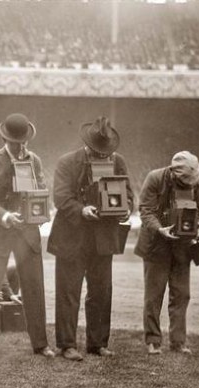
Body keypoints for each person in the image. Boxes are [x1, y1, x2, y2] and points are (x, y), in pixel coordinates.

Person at [48, 116, 134, 361]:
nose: (102, 155)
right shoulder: (67, 162)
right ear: (87, 145)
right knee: (68, 292)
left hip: (103, 238)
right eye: (97, 152)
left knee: (101, 292)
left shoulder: (118, 162)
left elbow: (128, 194)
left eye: (105, 152)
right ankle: (67, 345)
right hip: (72, 237)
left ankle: (97, 343)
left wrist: (126, 207)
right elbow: (61, 197)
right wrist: (81, 210)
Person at [0, 113, 54, 360]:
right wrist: (6, 216)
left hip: (27, 232)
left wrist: (37, 206)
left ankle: (40, 344)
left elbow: (39, 190)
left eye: (24, 142)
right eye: (16, 142)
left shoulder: (34, 160)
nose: (21, 146)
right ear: (5, 139)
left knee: (34, 287)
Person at [134, 151, 199, 355]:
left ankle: (178, 342)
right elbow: (145, 211)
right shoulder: (155, 178)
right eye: (186, 180)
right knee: (154, 295)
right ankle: (152, 340)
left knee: (182, 295)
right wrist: (160, 229)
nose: (190, 183)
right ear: (174, 173)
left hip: (183, 247)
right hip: (156, 245)